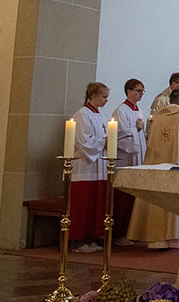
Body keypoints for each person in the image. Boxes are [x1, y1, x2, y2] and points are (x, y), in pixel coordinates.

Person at [127, 88, 179, 250]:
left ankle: (156, 240)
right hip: (177, 168)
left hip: (157, 168)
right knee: (174, 200)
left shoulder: (157, 118)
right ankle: (173, 238)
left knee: (158, 201)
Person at [69, 82, 110, 254]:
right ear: (93, 96)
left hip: (97, 166)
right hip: (84, 168)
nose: (107, 100)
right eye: (104, 96)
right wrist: (104, 142)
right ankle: (78, 240)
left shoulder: (98, 115)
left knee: (95, 203)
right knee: (83, 204)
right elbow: (84, 141)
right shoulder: (82, 115)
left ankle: (91, 237)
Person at [110, 78, 147, 244]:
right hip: (125, 160)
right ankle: (120, 234)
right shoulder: (121, 111)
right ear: (129, 91)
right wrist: (138, 128)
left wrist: (142, 132)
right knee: (123, 198)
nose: (140, 94)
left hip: (137, 159)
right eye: (138, 90)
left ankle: (132, 231)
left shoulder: (138, 110)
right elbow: (121, 136)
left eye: (142, 91)